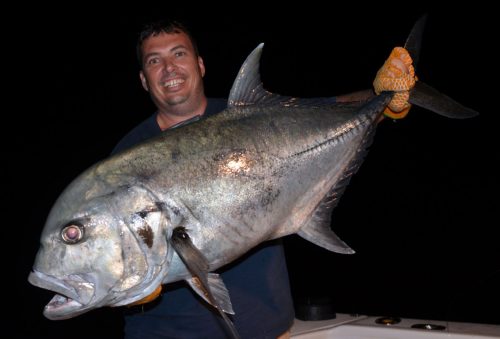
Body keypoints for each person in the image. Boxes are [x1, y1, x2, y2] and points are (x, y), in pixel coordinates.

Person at [111, 19, 414, 339]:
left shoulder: (254, 120)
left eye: (179, 54)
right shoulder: (127, 157)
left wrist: (385, 99)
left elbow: (334, 110)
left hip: (267, 328)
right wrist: (128, 291)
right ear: (144, 80)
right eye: (154, 61)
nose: (169, 68)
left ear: (200, 65)